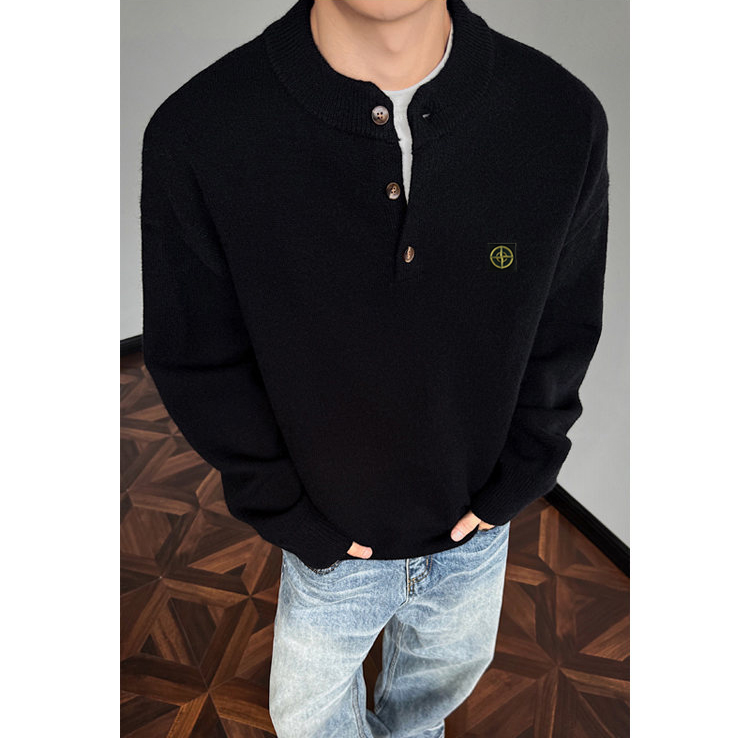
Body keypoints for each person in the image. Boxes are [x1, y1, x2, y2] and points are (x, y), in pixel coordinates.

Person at [139, 0, 610, 735]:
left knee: (428, 705)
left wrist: (518, 476)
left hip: (478, 527)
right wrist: (288, 510)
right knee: (310, 717)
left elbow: (565, 320)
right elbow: (198, 357)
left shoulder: (561, 116)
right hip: (330, 539)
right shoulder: (200, 132)